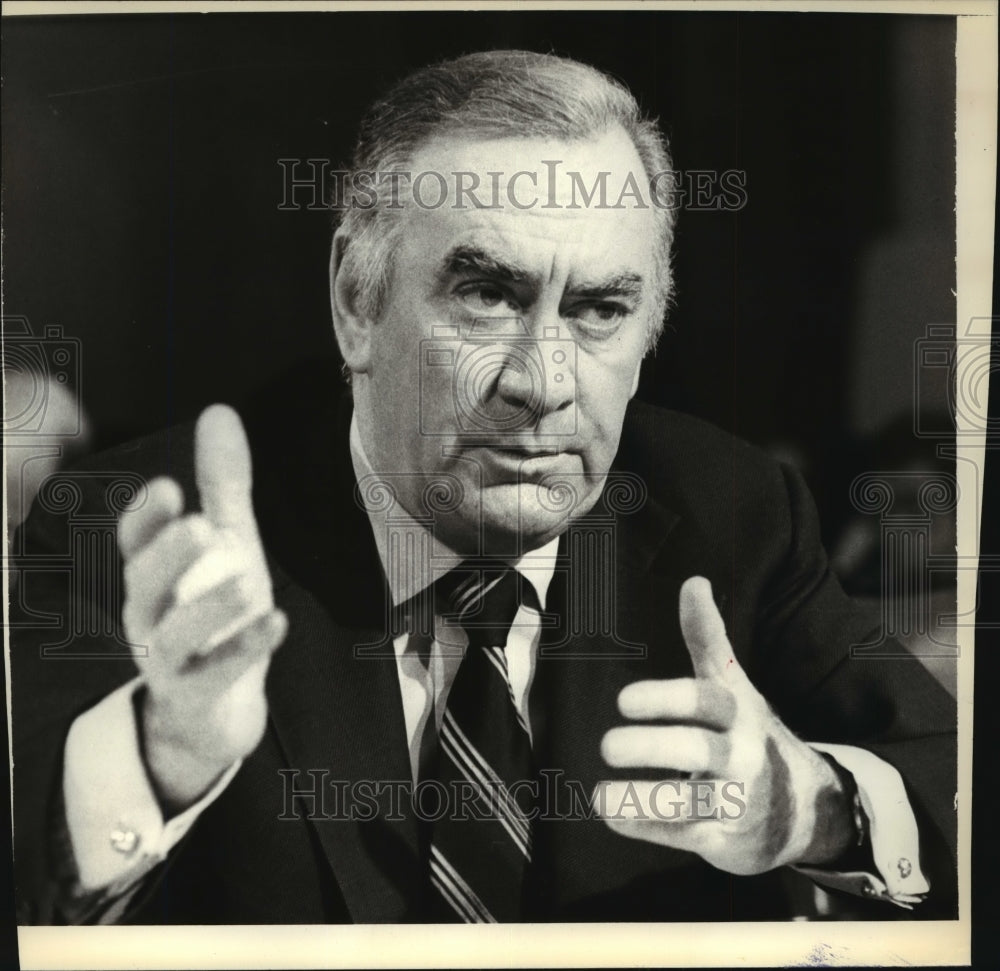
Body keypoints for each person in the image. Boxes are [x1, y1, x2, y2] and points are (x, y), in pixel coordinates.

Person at [10, 50, 956, 924]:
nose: (542, 382)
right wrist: (163, 754)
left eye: (598, 309)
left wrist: (812, 810)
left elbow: (957, 791)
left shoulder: (732, 511)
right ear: (356, 301)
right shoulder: (140, 533)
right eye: (488, 295)